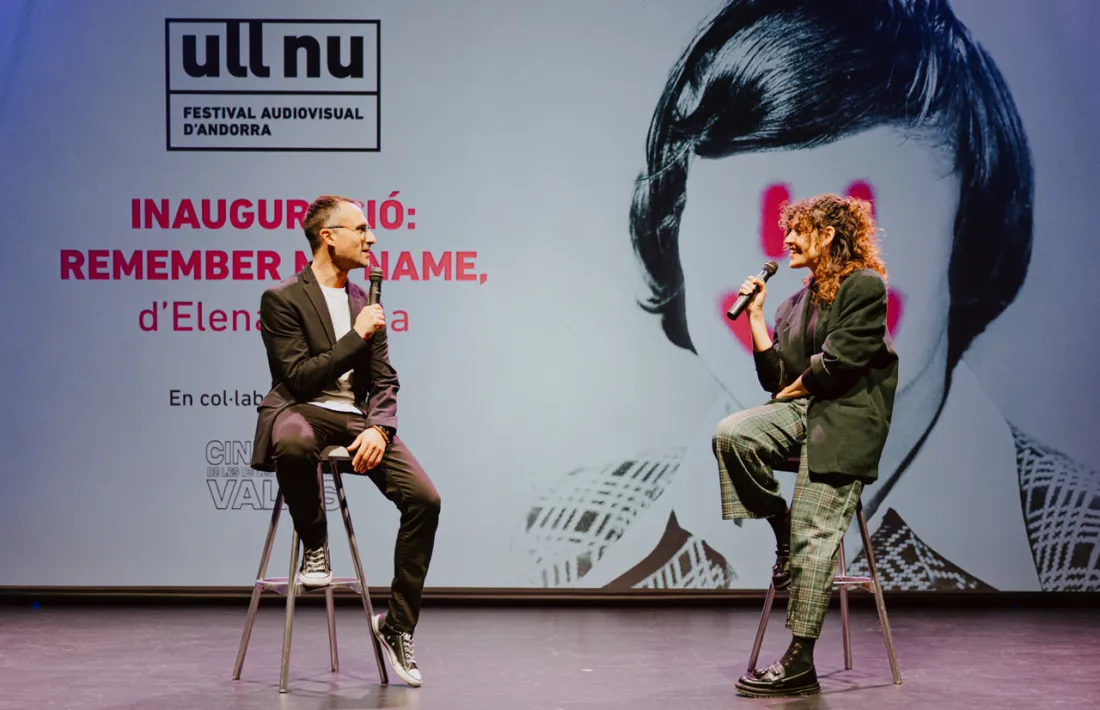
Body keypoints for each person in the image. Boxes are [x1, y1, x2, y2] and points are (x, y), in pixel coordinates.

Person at [518, 0, 1098, 598]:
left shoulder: (1084, 541)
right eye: (754, 212)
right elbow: (778, 371)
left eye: (854, 221)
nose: (799, 256)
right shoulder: (563, 533)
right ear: (671, 233)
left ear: (968, 234)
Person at [250, 195, 441, 687]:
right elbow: (297, 379)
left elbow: (385, 380)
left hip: (354, 419)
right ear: (327, 236)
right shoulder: (282, 297)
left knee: (425, 499)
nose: (371, 237)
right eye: (361, 228)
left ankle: (396, 625)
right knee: (292, 442)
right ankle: (316, 546)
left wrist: (379, 426)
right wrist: (355, 336)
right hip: (301, 410)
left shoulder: (365, 302)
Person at [713, 194, 896, 697]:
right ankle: (781, 527)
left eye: (799, 230)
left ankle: (799, 660)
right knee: (733, 433)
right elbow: (775, 380)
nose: (787, 240)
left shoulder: (863, 286)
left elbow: (838, 365)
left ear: (829, 235)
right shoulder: (795, 304)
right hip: (801, 414)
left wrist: (799, 385)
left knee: (816, 541)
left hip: (843, 423)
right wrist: (755, 319)